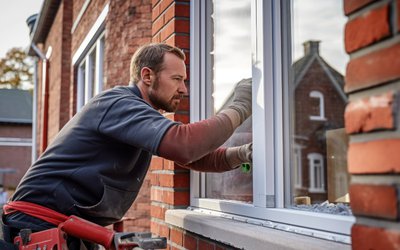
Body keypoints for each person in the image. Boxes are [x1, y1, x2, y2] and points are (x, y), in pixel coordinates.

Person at [1, 43, 252, 247]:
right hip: (38, 223)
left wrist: (240, 154)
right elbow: (184, 145)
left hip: (68, 226)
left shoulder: (139, 114)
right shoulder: (118, 103)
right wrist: (240, 106)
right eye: (176, 79)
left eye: (184, 81)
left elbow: (191, 157)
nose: (183, 89)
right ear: (147, 75)